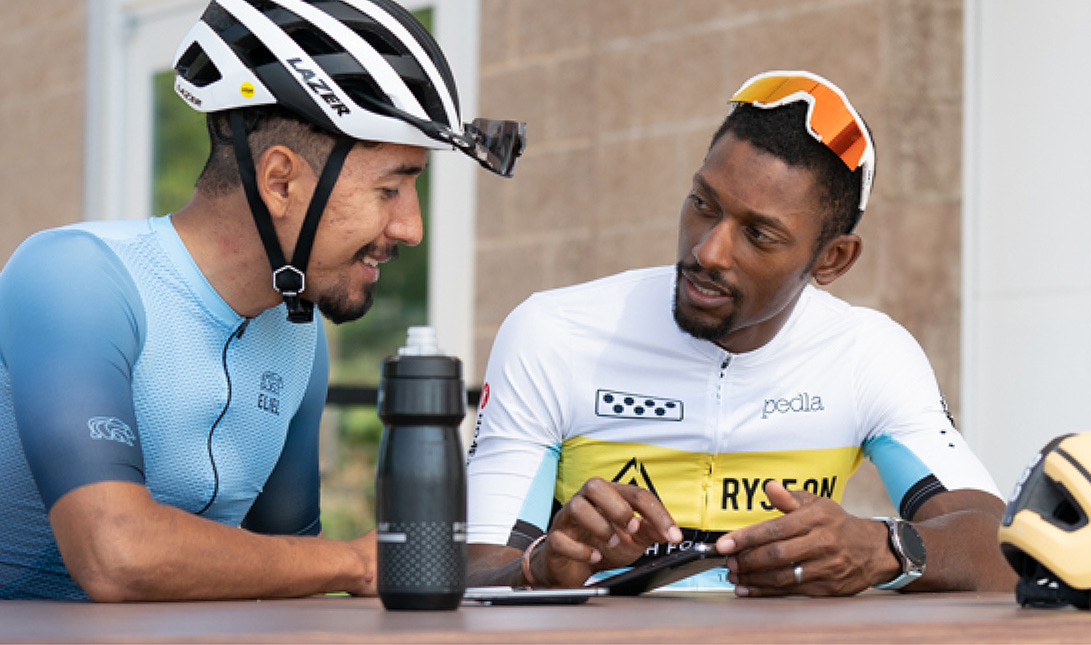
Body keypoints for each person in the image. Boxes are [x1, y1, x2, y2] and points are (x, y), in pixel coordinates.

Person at [0, 0, 523, 601]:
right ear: (280, 180)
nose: (411, 227)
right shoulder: (76, 277)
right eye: (389, 188)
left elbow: (290, 570)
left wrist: (530, 567)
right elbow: (115, 553)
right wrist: (353, 564)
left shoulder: (299, 337)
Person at [465, 70, 1015, 596]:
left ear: (833, 259)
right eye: (704, 205)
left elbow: (1003, 553)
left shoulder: (869, 353)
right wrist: (541, 566)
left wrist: (886, 550)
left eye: (759, 234)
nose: (708, 251)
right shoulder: (555, 332)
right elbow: (474, 574)